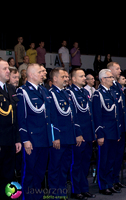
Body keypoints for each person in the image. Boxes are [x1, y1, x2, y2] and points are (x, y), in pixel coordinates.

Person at [17, 63, 59, 200]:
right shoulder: (23, 91)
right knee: (29, 172)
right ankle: (27, 197)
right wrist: (25, 139)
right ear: (31, 74)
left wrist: (52, 136)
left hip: (45, 139)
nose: (44, 74)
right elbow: (21, 119)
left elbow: (49, 117)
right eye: (40, 71)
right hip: (32, 140)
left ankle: (37, 196)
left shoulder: (44, 91)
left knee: (40, 172)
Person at [48, 67, 83, 198]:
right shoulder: (51, 94)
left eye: (67, 77)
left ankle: (62, 192)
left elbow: (73, 115)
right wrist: (55, 136)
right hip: (59, 138)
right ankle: (54, 194)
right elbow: (52, 118)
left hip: (69, 137)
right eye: (63, 77)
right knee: (55, 168)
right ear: (55, 78)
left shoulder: (66, 93)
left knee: (64, 167)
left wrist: (77, 133)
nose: (66, 79)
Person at [67, 68, 96, 199]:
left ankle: (84, 188)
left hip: (88, 132)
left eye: (84, 76)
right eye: (81, 76)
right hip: (79, 134)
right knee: (77, 163)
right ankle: (75, 189)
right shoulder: (70, 93)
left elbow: (89, 113)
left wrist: (93, 132)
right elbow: (73, 116)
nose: (84, 78)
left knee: (86, 163)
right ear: (73, 79)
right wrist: (78, 133)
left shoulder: (84, 92)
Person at [93, 69, 122, 195]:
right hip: (105, 133)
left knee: (111, 159)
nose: (112, 79)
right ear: (103, 79)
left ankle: (110, 183)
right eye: (110, 77)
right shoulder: (97, 94)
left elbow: (117, 115)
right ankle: (103, 185)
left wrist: (119, 132)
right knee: (103, 160)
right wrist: (100, 135)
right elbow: (97, 116)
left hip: (114, 132)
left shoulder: (113, 93)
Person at [0, 60, 21, 200]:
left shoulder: (11, 89)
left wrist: (18, 139)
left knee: (9, 174)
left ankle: (11, 197)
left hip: (11, 140)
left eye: (8, 68)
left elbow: (16, 118)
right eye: (5, 68)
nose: (8, 71)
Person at [107, 62, 126, 190]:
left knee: (119, 155)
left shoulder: (117, 85)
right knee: (111, 157)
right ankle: (109, 182)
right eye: (117, 68)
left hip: (120, 127)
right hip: (113, 128)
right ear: (110, 71)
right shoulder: (110, 87)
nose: (120, 71)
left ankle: (115, 180)